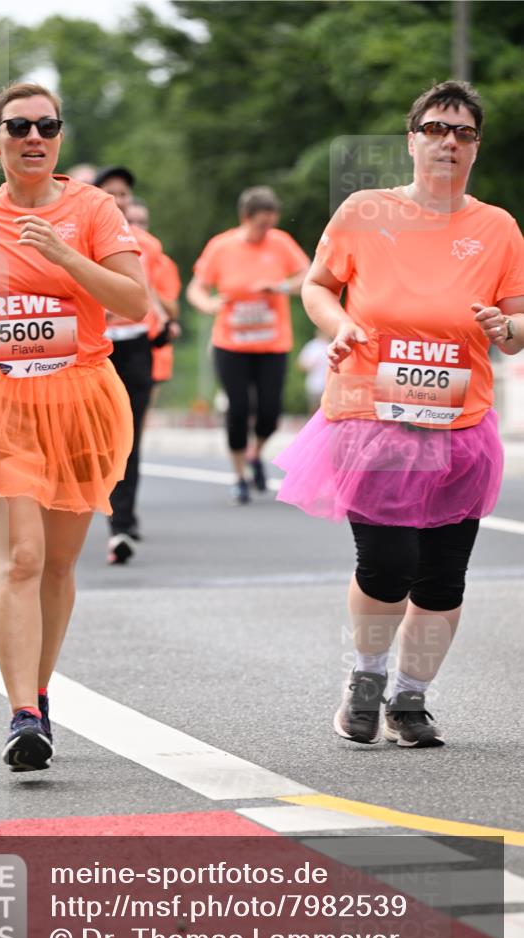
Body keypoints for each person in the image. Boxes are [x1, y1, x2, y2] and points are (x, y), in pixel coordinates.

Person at [275, 80, 524, 748]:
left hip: (458, 424)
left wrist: (507, 325)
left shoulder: (496, 227)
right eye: (436, 129)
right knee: (387, 563)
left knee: (442, 578)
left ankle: (410, 701)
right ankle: (365, 677)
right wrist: (337, 325)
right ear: (411, 138)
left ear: (475, 146)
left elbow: (517, 324)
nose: (449, 142)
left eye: (463, 133)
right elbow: (318, 285)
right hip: (371, 413)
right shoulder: (364, 211)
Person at [0, 83, 148, 771]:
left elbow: (136, 303)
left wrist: (65, 256)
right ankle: (21, 715)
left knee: (57, 565)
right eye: (18, 126)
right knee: (19, 558)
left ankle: (40, 692)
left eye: (47, 123)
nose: (34, 136)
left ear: (59, 135)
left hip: (78, 398)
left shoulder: (93, 209)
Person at [187, 186, 310, 504]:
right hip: (231, 343)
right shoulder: (221, 246)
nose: (266, 231)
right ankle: (240, 475)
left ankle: (256, 453)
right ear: (245, 217)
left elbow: (308, 277)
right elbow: (196, 288)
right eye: (260, 225)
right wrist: (208, 304)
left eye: (270, 224)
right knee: (238, 410)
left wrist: (280, 285)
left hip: (272, 343)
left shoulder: (281, 243)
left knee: (270, 412)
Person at [94, 166, 168, 562]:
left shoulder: (146, 245)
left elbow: (151, 291)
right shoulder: (81, 238)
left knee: (128, 437)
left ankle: (121, 523)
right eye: (111, 194)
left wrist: (163, 321)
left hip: (136, 346)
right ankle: (87, 503)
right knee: (96, 439)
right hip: (93, 350)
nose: (119, 201)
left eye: (124, 194)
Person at [126, 198, 182, 403]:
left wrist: (145, 286)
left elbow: (173, 310)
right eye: (131, 221)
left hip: (149, 346)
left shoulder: (162, 263)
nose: (137, 228)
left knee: (141, 410)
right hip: (114, 343)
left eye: (142, 223)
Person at [297, 328, 330, 414]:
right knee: (314, 410)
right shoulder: (312, 346)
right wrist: (310, 365)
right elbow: (301, 365)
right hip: (314, 384)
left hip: (328, 385)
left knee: (326, 411)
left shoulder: (331, 345)